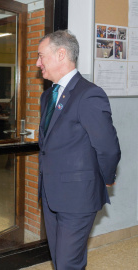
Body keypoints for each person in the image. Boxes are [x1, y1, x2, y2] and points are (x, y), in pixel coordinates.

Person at [36, 30, 121, 270]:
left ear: (61, 54)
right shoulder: (47, 96)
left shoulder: (89, 94)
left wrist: (107, 178)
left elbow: (108, 147)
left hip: (78, 195)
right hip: (51, 194)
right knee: (60, 260)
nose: (37, 63)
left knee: (67, 264)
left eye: (41, 56)